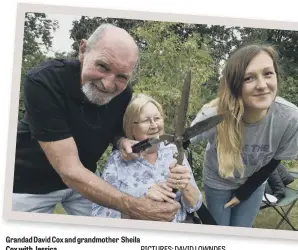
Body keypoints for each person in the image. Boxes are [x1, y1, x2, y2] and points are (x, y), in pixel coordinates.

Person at [12, 23, 180, 221]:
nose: (109, 84)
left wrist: (120, 142)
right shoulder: (45, 81)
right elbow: (69, 169)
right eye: (102, 66)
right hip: (28, 186)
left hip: (87, 182)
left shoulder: (124, 93)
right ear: (83, 50)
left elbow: (113, 129)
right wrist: (133, 205)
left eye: (122, 76)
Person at [187, 44, 298, 227]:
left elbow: (276, 159)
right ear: (235, 85)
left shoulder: (290, 117)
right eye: (249, 78)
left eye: (268, 73)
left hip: (254, 183)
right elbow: (182, 142)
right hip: (218, 182)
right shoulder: (212, 115)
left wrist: (245, 192)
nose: (262, 85)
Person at [92, 94, 202, 222]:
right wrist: (140, 203)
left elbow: (195, 205)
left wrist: (186, 186)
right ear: (131, 128)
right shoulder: (117, 162)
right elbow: (100, 215)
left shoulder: (173, 151)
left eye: (157, 118)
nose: (154, 125)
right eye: (146, 120)